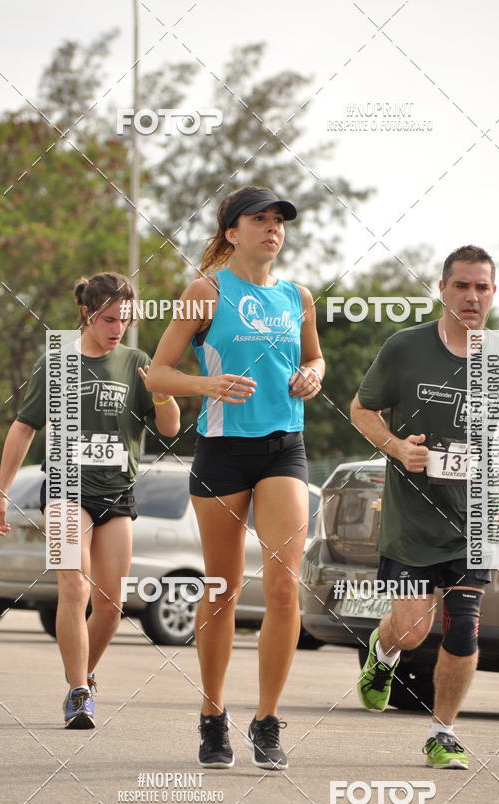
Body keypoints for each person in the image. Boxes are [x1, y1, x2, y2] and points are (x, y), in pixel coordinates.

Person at [147, 185, 324, 769]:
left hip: (284, 449)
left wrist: (314, 375)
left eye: (279, 221)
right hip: (222, 451)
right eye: (259, 220)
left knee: (283, 586)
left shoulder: (298, 297)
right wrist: (207, 385)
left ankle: (267, 721)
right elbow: (158, 373)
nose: (272, 229)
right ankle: (212, 714)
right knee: (221, 588)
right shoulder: (205, 292)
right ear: (231, 232)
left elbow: (314, 357)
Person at [350, 245, 499, 769]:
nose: (472, 296)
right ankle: (383, 651)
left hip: (475, 515)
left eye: (482, 287)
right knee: (412, 629)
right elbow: (361, 410)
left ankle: (443, 733)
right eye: (462, 285)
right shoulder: (405, 348)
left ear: (493, 293)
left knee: (464, 625)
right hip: (413, 516)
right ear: (442, 289)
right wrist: (396, 447)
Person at [0, 273, 180, 728]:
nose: (118, 328)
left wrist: (161, 391)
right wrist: (1, 491)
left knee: (111, 605)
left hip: (117, 491)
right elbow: (24, 426)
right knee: (74, 586)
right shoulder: (56, 362)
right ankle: (78, 692)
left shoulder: (137, 361)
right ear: (87, 314)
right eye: (109, 319)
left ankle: (83, 676)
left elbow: (170, 428)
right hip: (64, 489)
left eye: (125, 320)